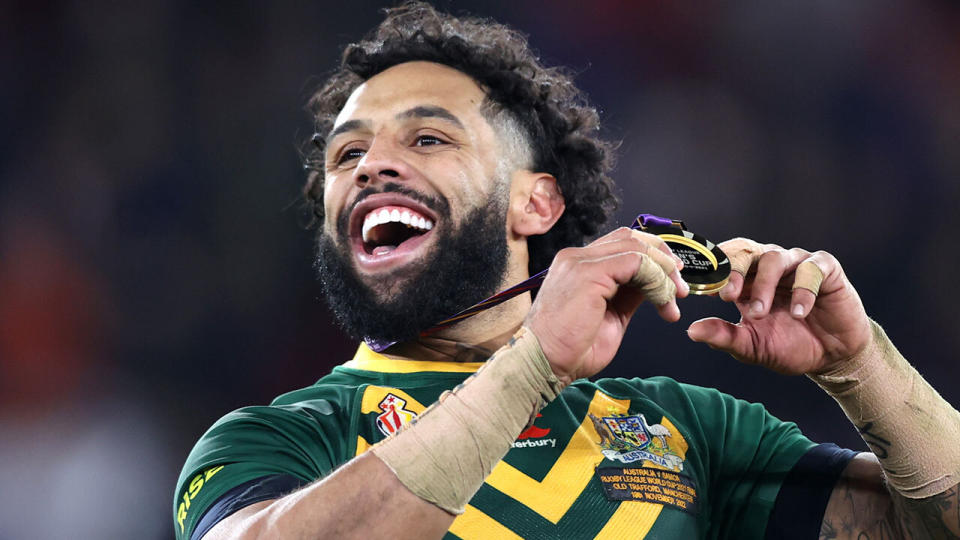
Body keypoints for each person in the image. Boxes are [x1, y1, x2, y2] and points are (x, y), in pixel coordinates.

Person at [173, 3, 960, 539]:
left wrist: (865, 368)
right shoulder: (276, 439)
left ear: (537, 204)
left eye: (427, 140)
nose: (372, 165)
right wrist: (530, 368)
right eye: (349, 153)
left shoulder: (686, 432)